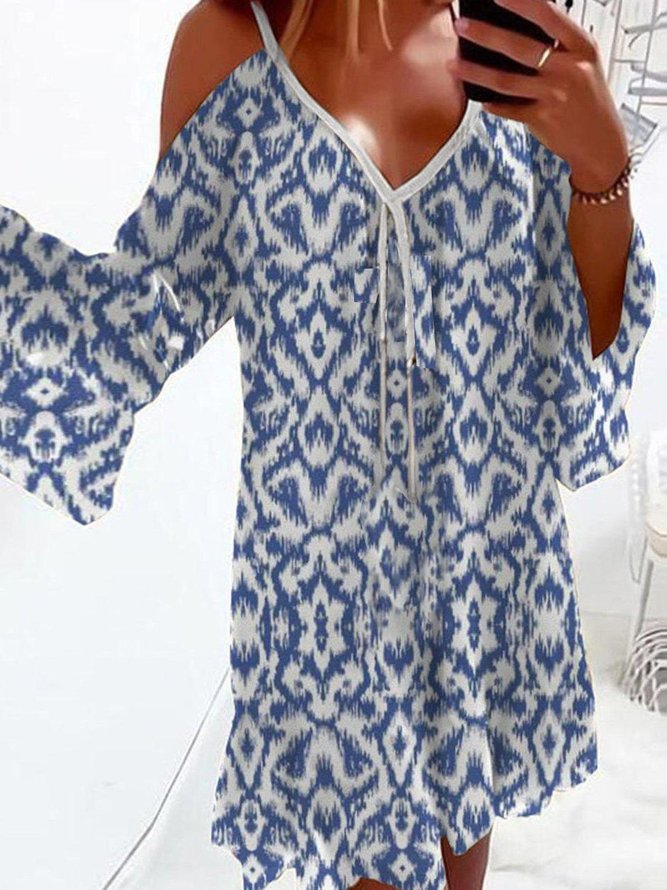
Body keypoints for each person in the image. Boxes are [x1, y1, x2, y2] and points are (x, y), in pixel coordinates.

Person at [0, 1, 657, 889]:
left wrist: (602, 171)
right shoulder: (229, 51)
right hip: (321, 605)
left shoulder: (511, 44)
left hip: (481, 570)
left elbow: (576, 360)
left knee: (459, 858)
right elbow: (126, 330)